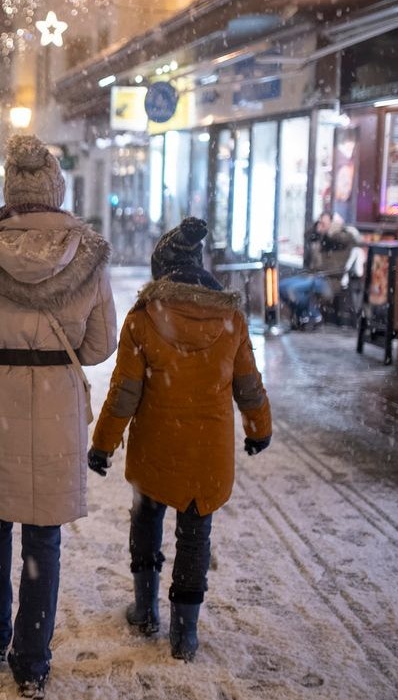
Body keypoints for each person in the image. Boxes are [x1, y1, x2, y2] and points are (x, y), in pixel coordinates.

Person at [0, 135, 117, 699]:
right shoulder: (88, 255)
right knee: (43, 537)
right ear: (57, 190)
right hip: (59, 406)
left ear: (10, 192)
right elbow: (99, 346)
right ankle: (33, 661)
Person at [88, 217, 273, 663]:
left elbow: (124, 394)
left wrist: (103, 444)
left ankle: (146, 610)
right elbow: (248, 383)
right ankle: (185, 635)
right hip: (206, 456)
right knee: (195, 536)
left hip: (156, 445)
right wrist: (258, 428)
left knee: (146, 520)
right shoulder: (230, 319)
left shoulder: (143, 318)